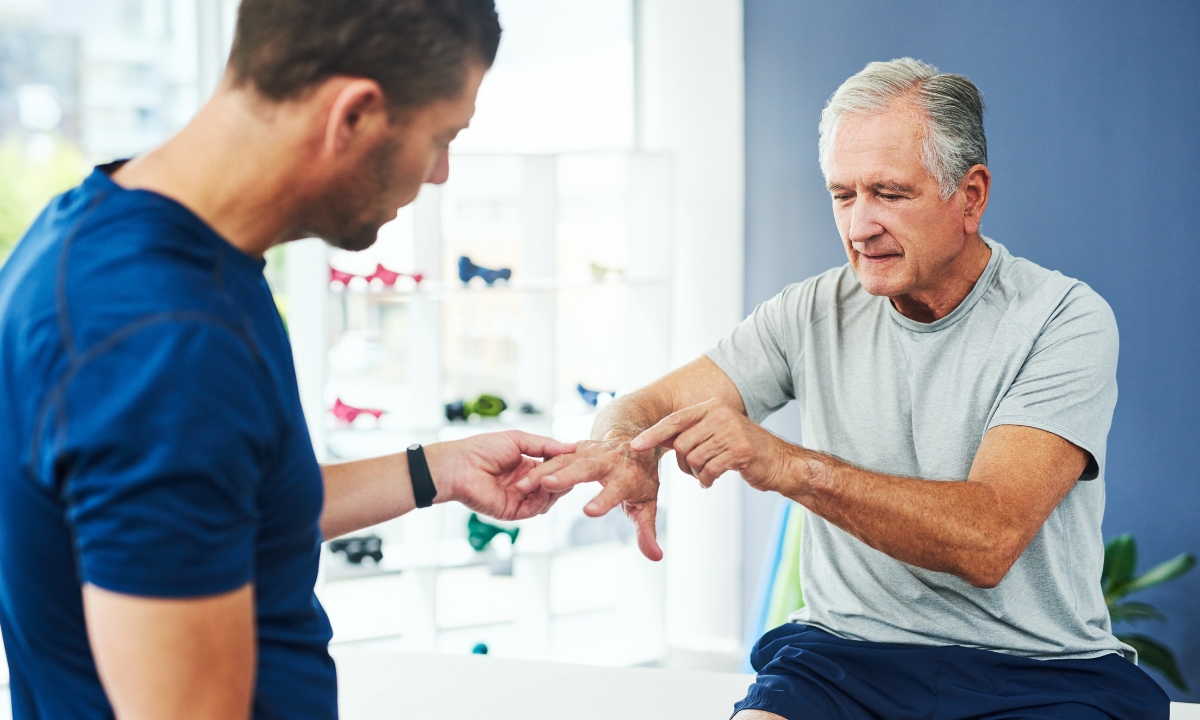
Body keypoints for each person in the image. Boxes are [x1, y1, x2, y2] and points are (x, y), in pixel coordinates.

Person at [524, 58, 1171, 719]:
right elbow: (641, 407)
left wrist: (786, 464)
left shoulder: (1064, 318)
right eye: (843, 195)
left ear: (970, 196)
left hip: (1034, 671)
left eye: (888, 194)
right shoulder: (808, 311)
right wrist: (625, 447)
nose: (860, 227)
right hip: (845, 658)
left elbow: (987, 539)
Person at [0, 1, 576, 718]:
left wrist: (437, 470)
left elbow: (218, 506)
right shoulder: (163, 341)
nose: (440, 175)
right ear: (354, 116)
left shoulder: (102, 230)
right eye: (441, 137)